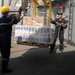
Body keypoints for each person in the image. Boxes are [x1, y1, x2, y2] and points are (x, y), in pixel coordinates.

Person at [0, 5, 22, 73]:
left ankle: (4, 65)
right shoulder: (8, 20)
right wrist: (19, 12)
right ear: (7, 12)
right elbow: (17, 20)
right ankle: (4, 69)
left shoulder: (0, 20)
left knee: (2, 53)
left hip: (0, 39)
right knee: (6, 54)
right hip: (5, 40)